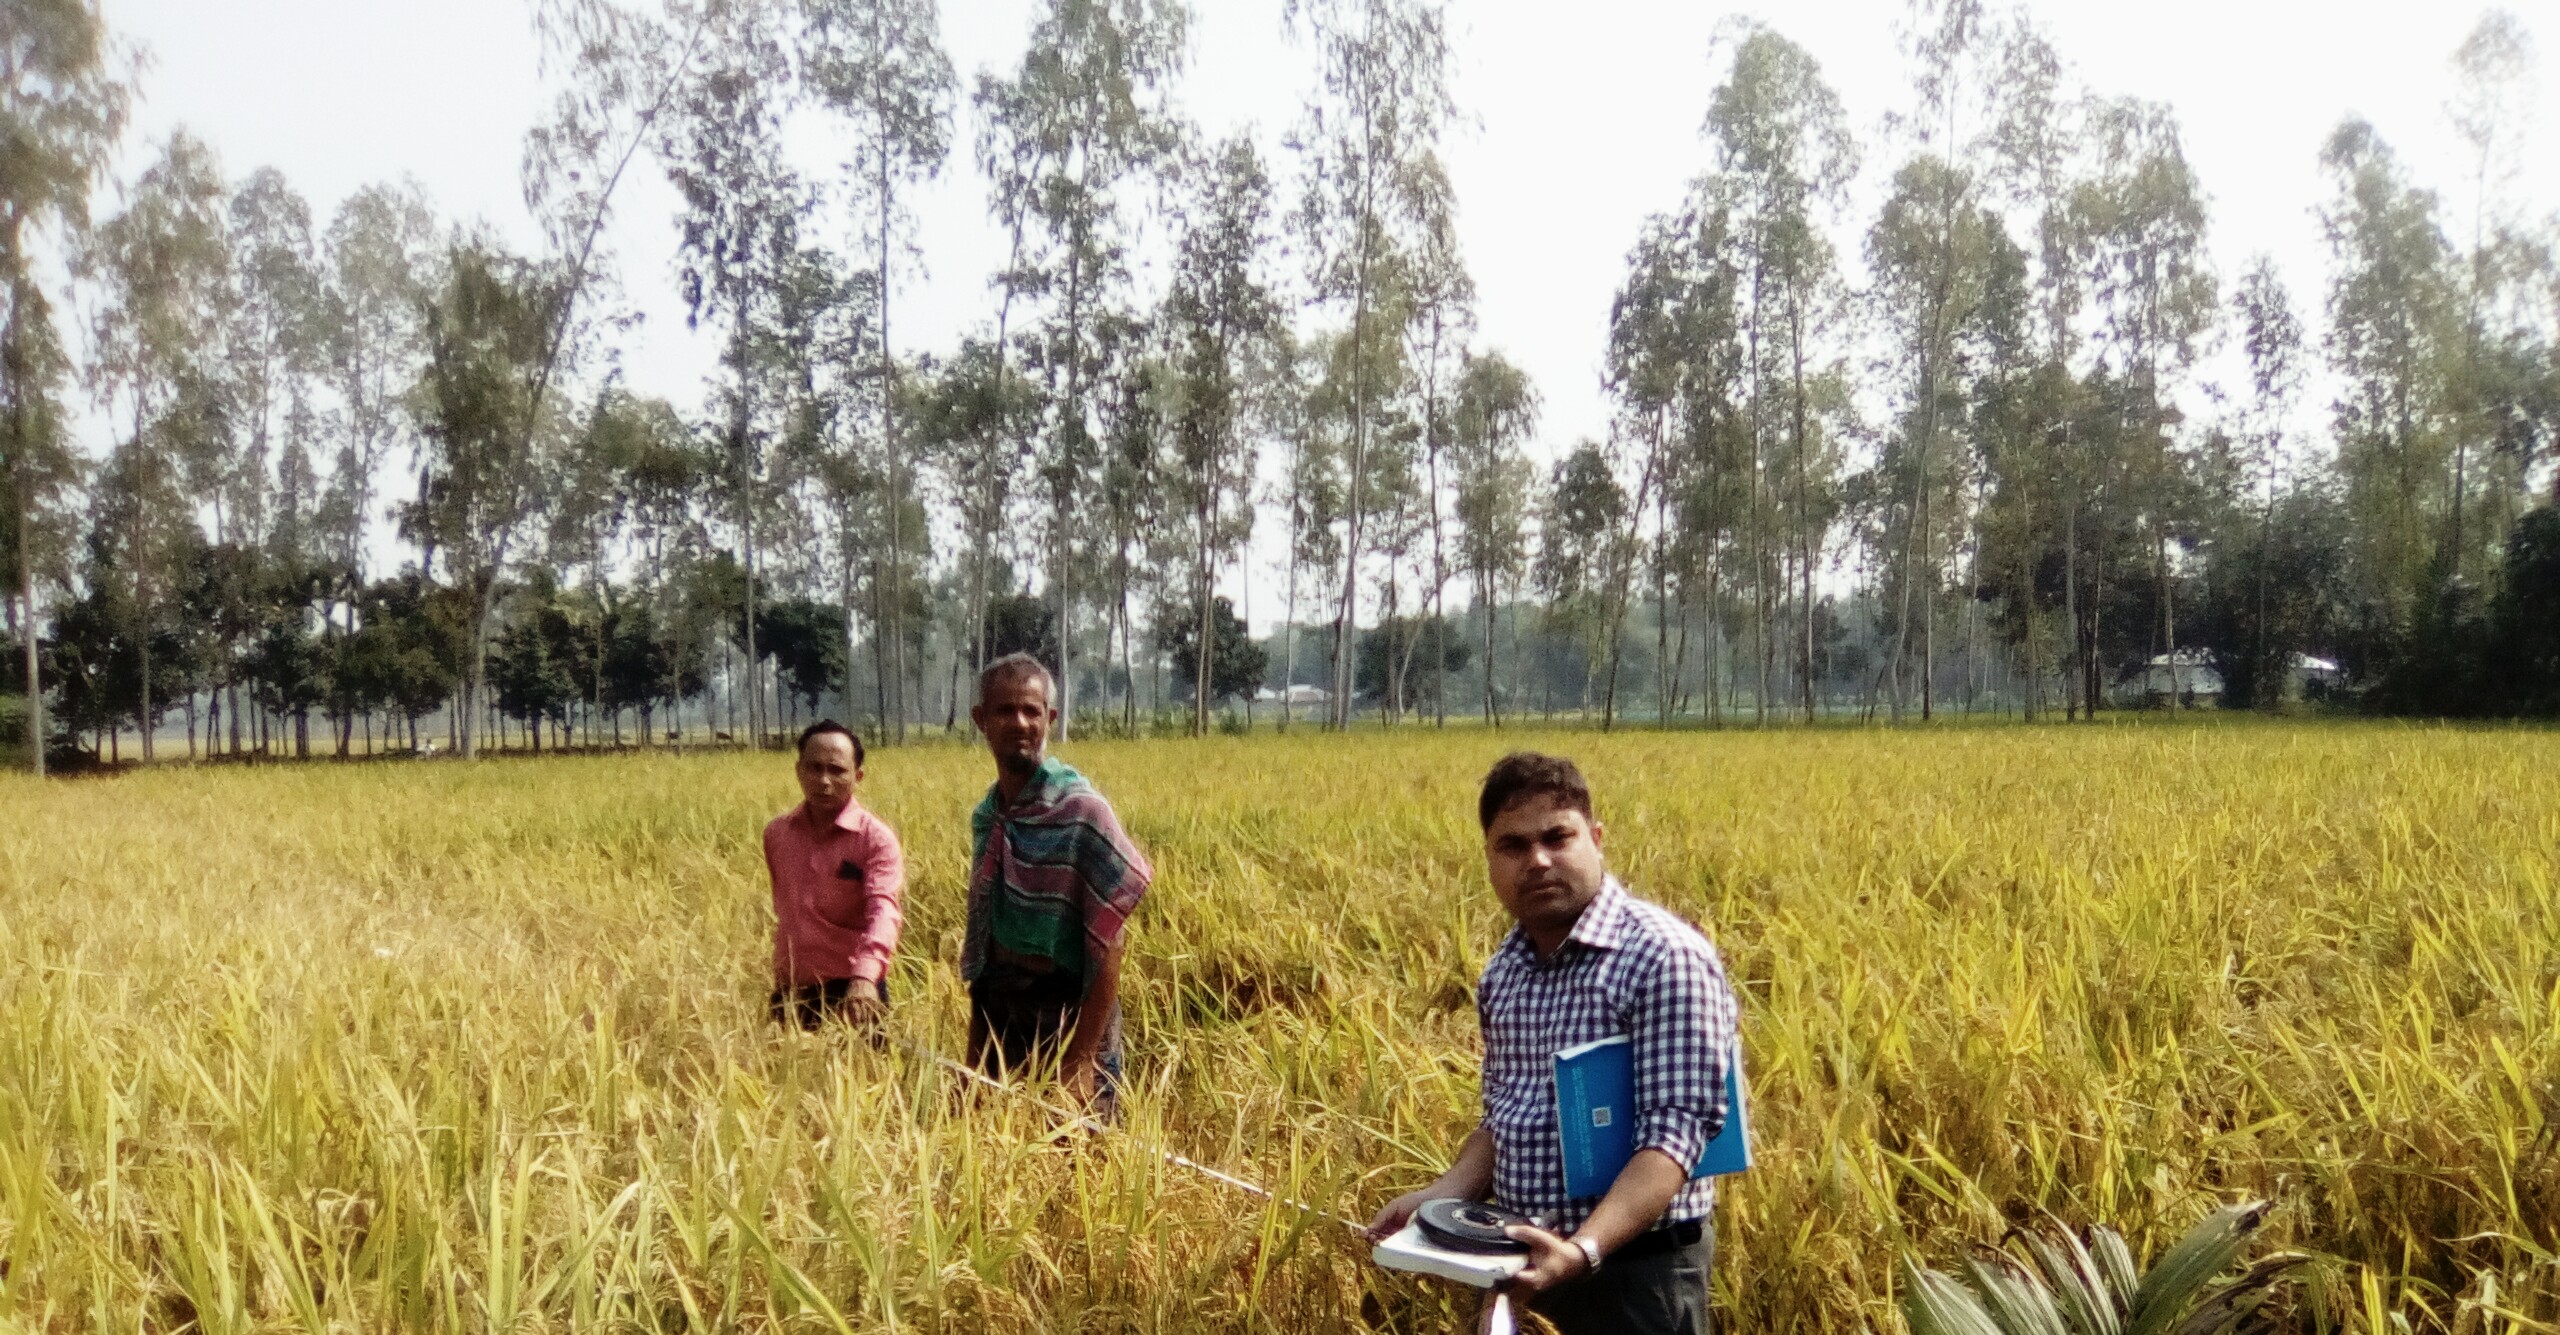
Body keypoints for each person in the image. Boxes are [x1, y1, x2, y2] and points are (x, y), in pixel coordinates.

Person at [1366, 752, 1739, 1335]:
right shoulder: (1505, 972)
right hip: (1522, 1262)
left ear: (1595, 838)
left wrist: (1584, 1249)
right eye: (1512, 846)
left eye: (1556, 838)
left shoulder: (1663, 957)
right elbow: (1504, 1119)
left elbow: (1674, 1135)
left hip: (1636, 1276)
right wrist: (1437, 1200)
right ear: (1488, 859)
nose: (1537, 861)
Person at [962, 652, 1153, 1113]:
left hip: (1069, 1009)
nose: (1019, 722)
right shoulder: (989, 815)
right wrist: (973, 1059)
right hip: (1001, 1005)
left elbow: (1109, 942)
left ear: (1050, 718)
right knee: (990, 1145)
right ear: (981, 720)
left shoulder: (1082, 811)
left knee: (1080, 1157)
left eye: (1031, 710)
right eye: (1005, 711)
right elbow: (984, 938)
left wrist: (1081, 1059)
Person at [763, 720, 905, 1030]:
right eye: (814, 768)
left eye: (837, 770)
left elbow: (884, 911)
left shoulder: (875, 840)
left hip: (854, 992)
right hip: (791, 992)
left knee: (864, 1077)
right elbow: (785, 908)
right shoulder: (777, 834)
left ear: (858, 776)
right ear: (799, 770)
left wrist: (866, 977)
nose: (824, 781)